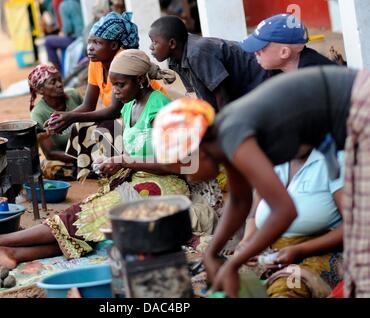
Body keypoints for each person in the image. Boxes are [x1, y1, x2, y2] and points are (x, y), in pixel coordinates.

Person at [152, 65, 369, 298]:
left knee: (363, 248)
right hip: (350, 111)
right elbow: (239, 201)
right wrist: (212, 253)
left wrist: (234, 265)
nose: (189, 177)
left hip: (360, 105)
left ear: (199, 151)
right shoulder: (226, 138)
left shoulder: (234, 136)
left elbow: (285, 210)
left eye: (186, 168)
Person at [0, 48, 188, 269]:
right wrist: (114, 163)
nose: (115, 92)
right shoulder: (129, 106)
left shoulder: (159, 107)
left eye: (120, 85)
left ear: (140, 80)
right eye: (113, 85)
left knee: (90, 213)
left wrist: (122, 161)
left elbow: (177, 165)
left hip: (166, 185)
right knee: (88, 222)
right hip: (137, 177)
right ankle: (14, 254)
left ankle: (2, 240)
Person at [48, 11, 168, 180]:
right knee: (80, 126)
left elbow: (113, 110)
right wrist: (67, 117)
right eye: (90, 42)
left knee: (106, 126)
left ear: (113, 46)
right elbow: (88, 105)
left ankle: (119, 168)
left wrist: (71, 116)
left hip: (141, 116)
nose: (90, 47)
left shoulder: (122, 63)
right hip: (125, 114)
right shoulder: (95, 63)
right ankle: (97, 168)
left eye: (97, 43)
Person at [237, 149, 345, 297]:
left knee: (287, 289)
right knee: (230, 280)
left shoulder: (335, 160)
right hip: (271, 253)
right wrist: (247, 241)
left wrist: (300, 250)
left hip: (320, 253)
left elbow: (354, 225)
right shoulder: (274, 158)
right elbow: (255, 211)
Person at [148, 15, 270, 112]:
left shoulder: (197, 53)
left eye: (154, 42)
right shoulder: (174, 59)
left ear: (172, 44)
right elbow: (196, 96)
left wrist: (223, 127)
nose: (151, 47)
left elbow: (222, 95)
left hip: (260, 77)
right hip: (241, 91)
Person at [28, 64, 83, 180]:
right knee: (48, 167)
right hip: (68, 158)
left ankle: (91, 168)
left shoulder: (73, 95)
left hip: (91, 147)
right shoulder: (38, 114)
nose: (59, 84)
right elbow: (50, 153)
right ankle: (92, 168)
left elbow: (92, 121)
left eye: (59, 79)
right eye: (53, 82)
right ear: (40, 90)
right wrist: (82, 158)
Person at [239, 14, 336, 73]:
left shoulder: (311, 72)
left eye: (260, 47)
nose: (256, 52)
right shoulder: (285, 67)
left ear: (284, 52)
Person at [44, 0, 84, 71]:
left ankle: (57, 71)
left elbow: (68, 28)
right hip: (83, 36)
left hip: (76, 39)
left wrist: (62, 33)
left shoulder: (64, 5)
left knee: (48, 42)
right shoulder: (77, 2)